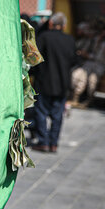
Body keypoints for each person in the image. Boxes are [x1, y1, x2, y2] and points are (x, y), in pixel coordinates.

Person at [31, 12, 76, 153]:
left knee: (41, 112)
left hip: (44, 82)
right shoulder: (70, 40)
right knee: (57, 115)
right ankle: (53, 143)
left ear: (51, 24)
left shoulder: (44, 37)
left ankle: (43, 142)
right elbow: (74, 61)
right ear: (64, 25)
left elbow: (35, 59)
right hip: (62, 84)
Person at [70, 23, 105, 108]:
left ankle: (89, 100)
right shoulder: (97, 39)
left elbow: (103, 56)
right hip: (90, 63)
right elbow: (92, 50)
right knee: (77, 75)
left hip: (101, 65)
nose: (104, 33)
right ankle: (75, 98)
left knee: (92, 79)